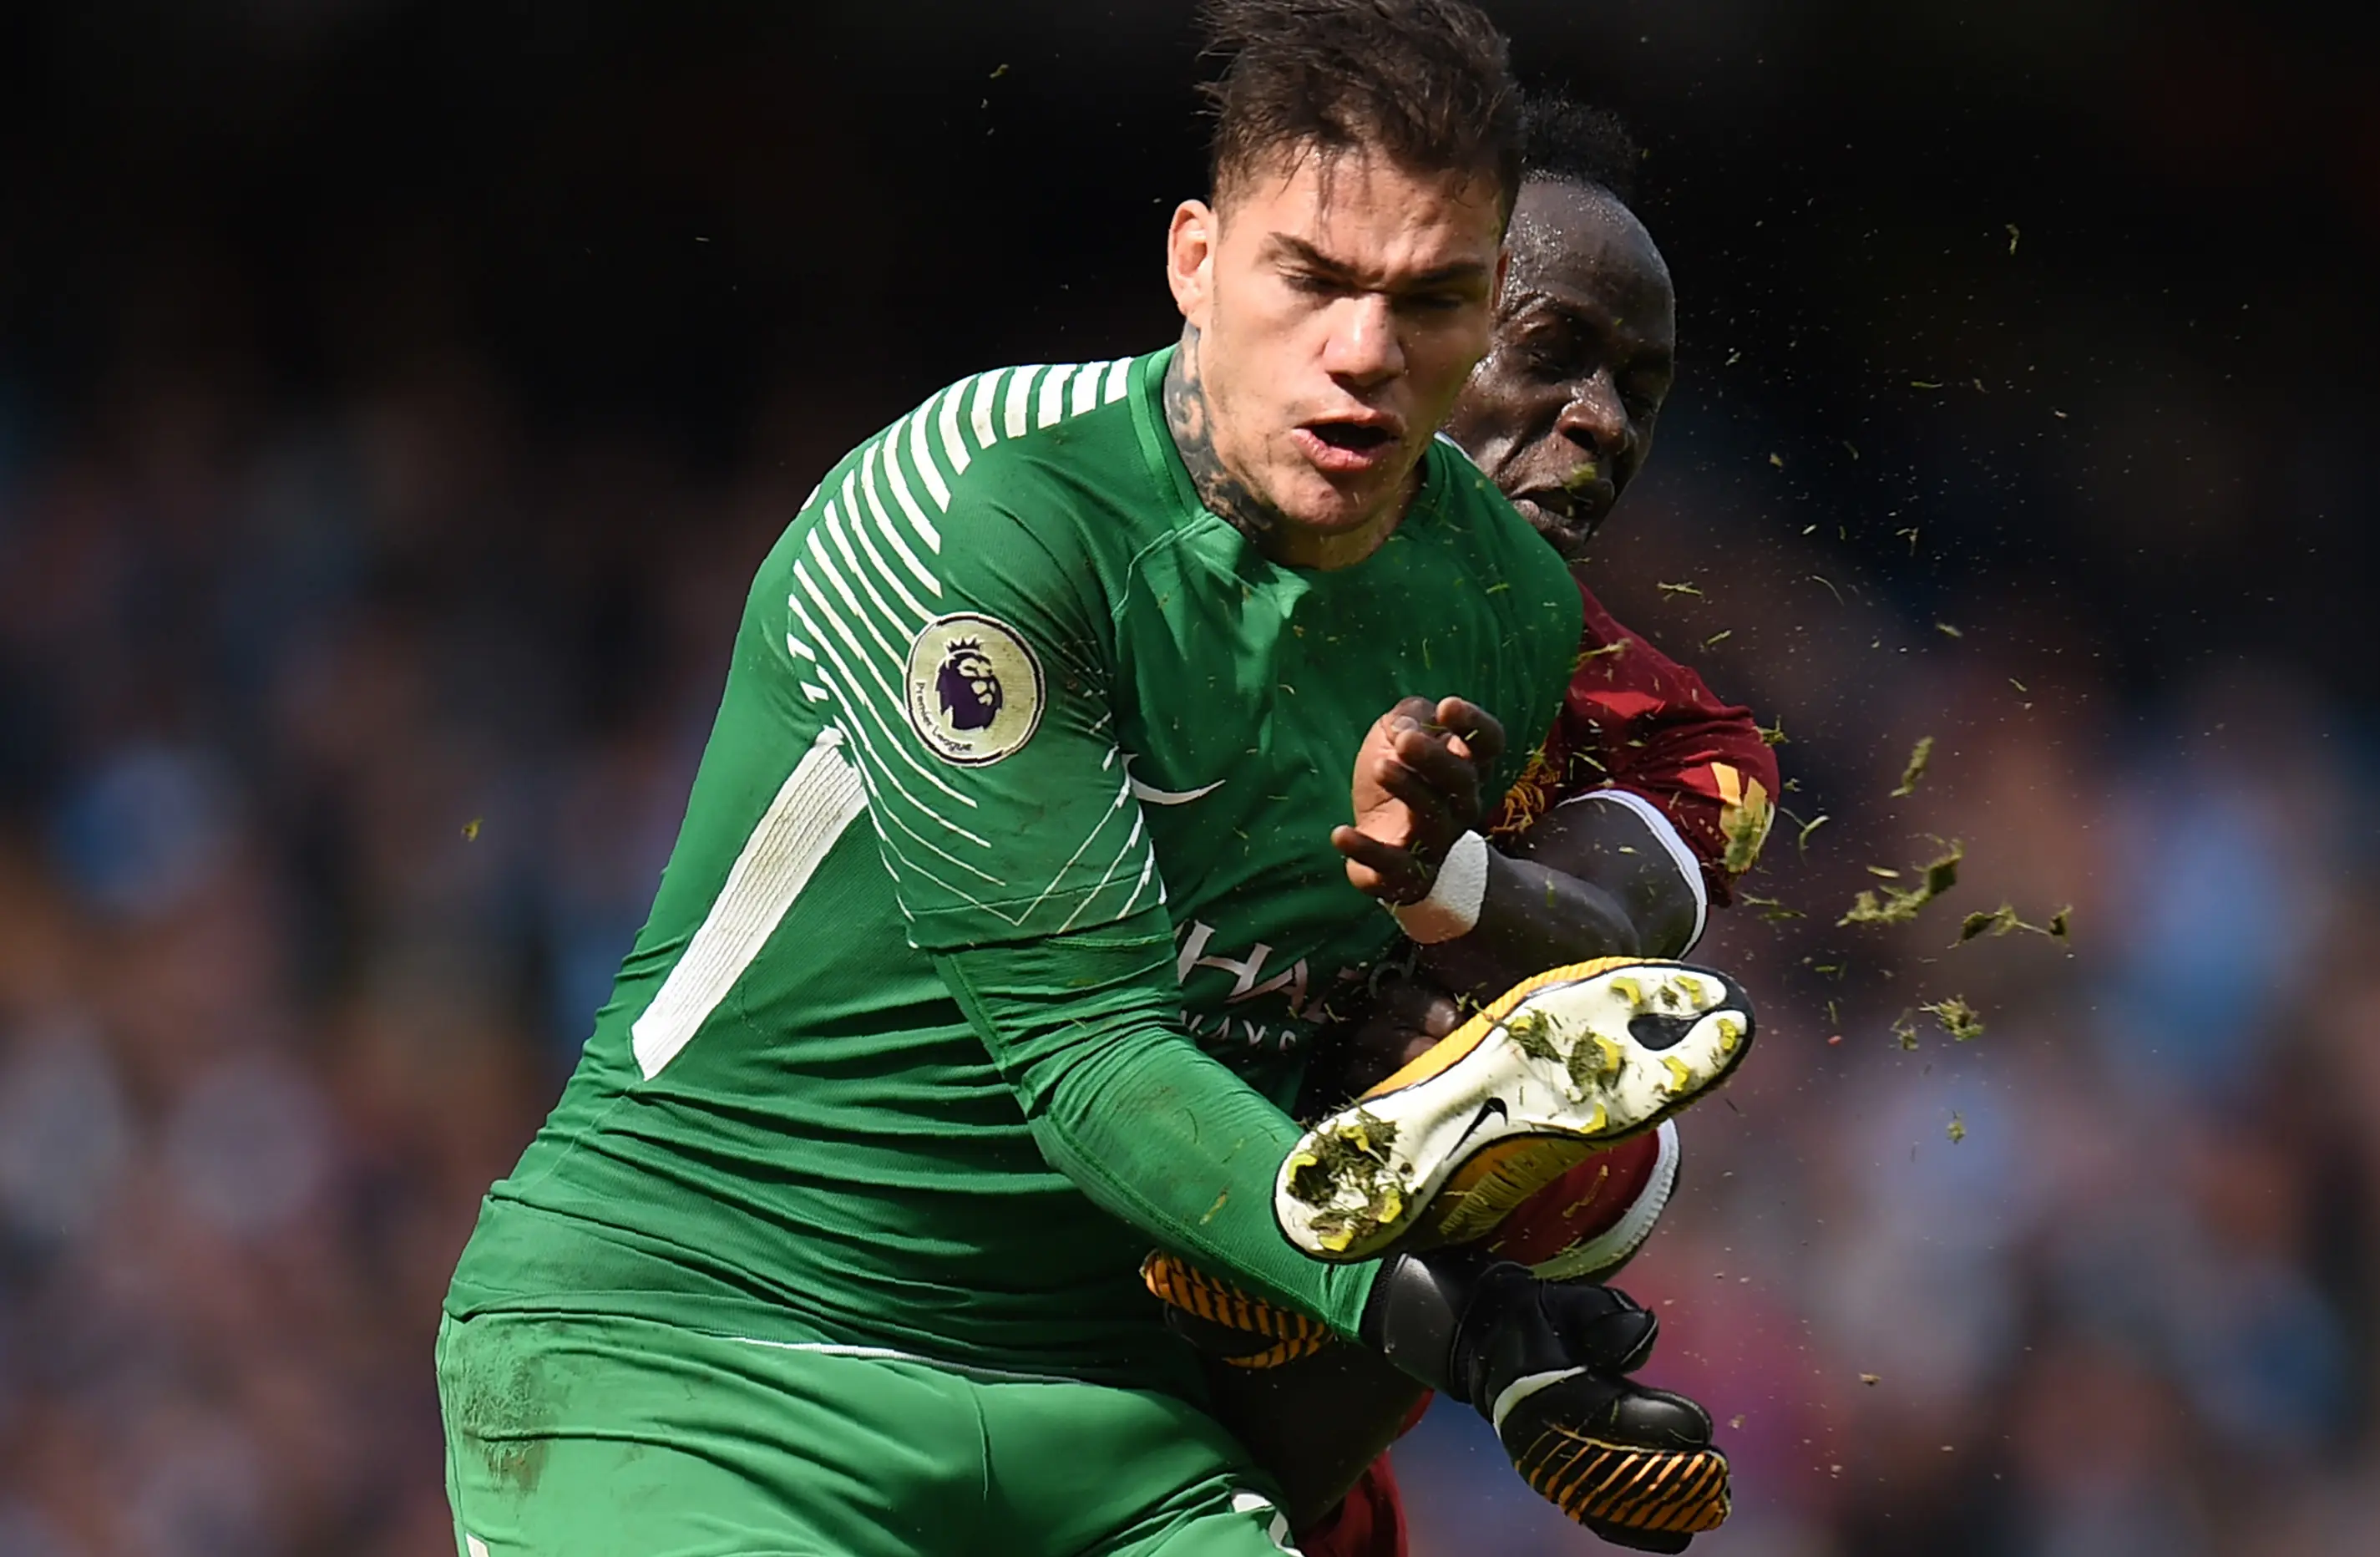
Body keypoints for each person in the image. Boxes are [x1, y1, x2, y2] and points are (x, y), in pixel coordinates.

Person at [433, 5, 1746, 1555]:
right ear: (1195, 260)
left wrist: (1506, 1315)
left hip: (1107, 1426)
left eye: (1431, 298)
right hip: (707, 1351)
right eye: (1312, 279)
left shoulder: (1506, 619)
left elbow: (1305, 1086)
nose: (1366, 353)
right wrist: (1454, 1337)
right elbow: (1095, 1061)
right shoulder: (987, 508)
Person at [1147, 95, 1784, 1557]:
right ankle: (1491, 1341)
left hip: (1267, 1439)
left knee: (1602, 1076)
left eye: (1643, 388)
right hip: (969, 1254)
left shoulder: (1672, 722)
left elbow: (1625, 926)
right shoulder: (1154, 572)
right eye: (1555, 353)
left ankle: (1354, 1265)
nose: (1606, 423)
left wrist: (1447, 875)